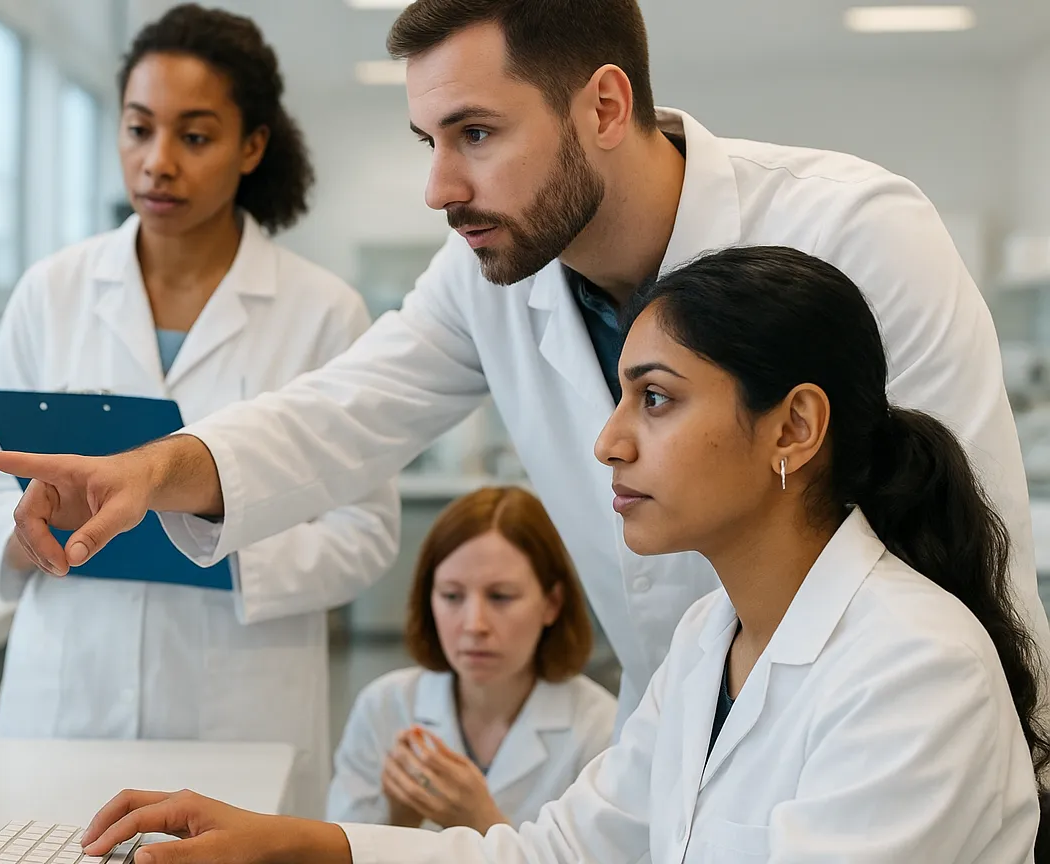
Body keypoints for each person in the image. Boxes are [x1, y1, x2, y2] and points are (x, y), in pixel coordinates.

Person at [0, 0, 1050, 735]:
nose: (439, 187)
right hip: (673, 744)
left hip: (880, 740)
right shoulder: (492, 277)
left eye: (478, 133)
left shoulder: (858, 233)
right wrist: (155, 469)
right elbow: (342, 411)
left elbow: (972, 562)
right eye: (427, 140)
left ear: (601, 105)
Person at [75, 245, 1047, 864]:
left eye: (655, 399)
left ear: (793, 427)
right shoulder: (715, 637)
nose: (608, 441)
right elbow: (556, 856)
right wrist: (295, 846)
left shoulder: (915, 669)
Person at [0, 4, 400, 819]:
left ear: (252, 145)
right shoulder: (51, 291)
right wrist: (22, 532)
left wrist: (219, 545)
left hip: (237, 709)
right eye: (138, 129)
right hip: (66, 704)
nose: (157, 163)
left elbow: (365, 530)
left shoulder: (322, 312)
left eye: (194, 137)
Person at [328, 486, 615, 831]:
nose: (474, 624)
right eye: (452, 596)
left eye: (500, 596)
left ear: (551, 603)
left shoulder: (599, 727)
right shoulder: (385, 707)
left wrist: (482, 821)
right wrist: (402, 816)